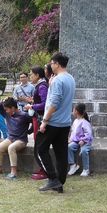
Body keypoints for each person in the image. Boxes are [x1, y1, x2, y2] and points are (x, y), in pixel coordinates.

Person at [35, 52, 76, 193]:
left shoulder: (58, 80)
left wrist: (45, 121)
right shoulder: (70, 78)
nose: (50, 65)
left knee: (40, 149)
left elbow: (55, 102)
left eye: (52, 63)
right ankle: (59, 183)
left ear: (57, 64)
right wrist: (51, 85)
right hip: (65, 123)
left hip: (53, 122)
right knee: (61, 154)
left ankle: (53, 179)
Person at [0, 97, 32, 179]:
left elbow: (34, 121)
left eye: (7, 109)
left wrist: (29, 131)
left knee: (11, 148)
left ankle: (14, 172)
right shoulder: (6, 114)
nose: (5, 111)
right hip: (10, 138)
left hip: (21, 140)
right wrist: (4, 100)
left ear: (12, 108)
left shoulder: (24, 115)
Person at [23, 66, 49, 180]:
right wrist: (33, 101)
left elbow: (45, 104)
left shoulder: (42, 86)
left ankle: (45, 171)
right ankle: (42, 168)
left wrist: (32, 106)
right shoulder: (40, 86)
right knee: (38, 144)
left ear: (38, 75)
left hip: (40, 119)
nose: (30, 76)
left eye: (31, 74)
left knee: (40, 145)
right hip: (36, 119)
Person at [67, 103, 93, 177]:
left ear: (77, 111)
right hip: (77, 141)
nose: (72, 111)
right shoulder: (75, 121)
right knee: (69, 147)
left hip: (85, 142)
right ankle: (72, 165)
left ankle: (86, 169)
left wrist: (84, 140)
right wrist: (70, 139)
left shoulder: (85, 122)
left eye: (73, 110)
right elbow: (73, 132)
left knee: (84, 151)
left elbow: (89, 134)